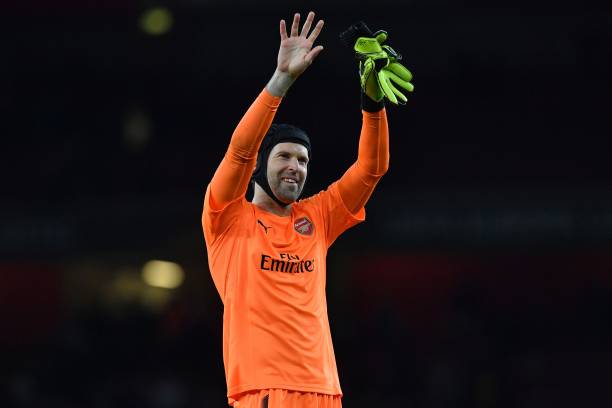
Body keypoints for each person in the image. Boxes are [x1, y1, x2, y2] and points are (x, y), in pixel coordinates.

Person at [202, 11, 392, 407]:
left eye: (303, 160)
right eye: (284, 156)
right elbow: (239, 152)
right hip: (264, 392)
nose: (295, 167)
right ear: (260, 165)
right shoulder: (226, 217)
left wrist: (372, 103)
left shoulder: (317, 217)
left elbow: (372, 169)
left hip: (325, 390)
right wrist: (282, 80)